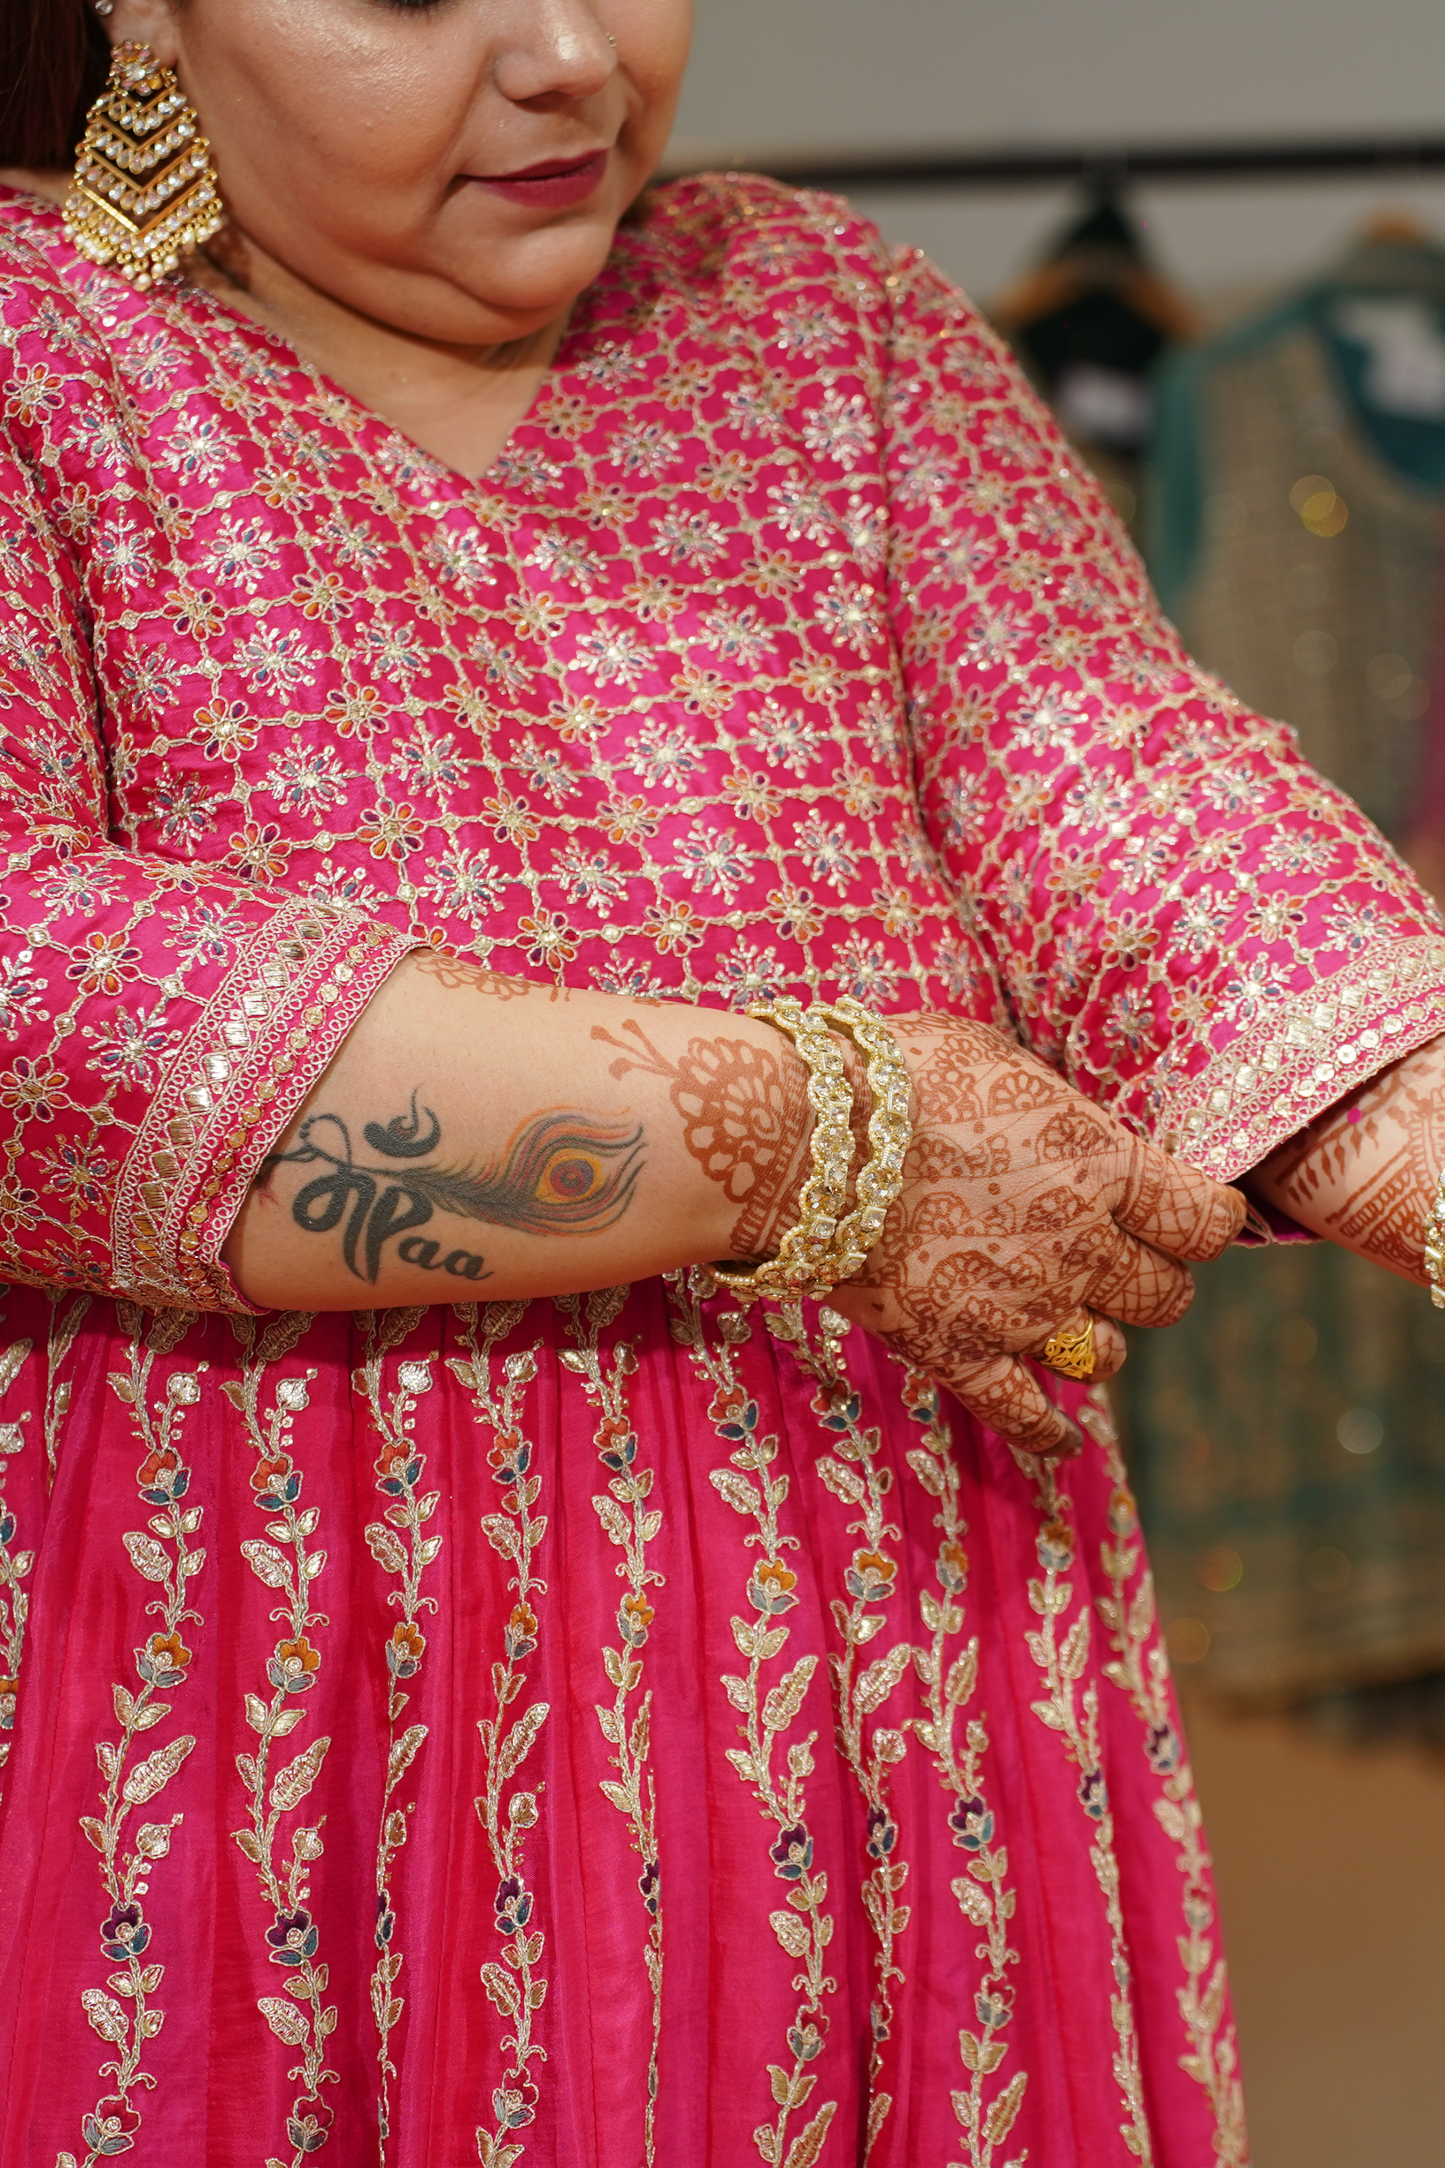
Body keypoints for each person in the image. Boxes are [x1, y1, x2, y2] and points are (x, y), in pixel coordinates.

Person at [0, 3, 1441, 2163]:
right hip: (284, 1712)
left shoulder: (810, 318)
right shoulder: (42, 362)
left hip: (901, 1672)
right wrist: (810, 1137)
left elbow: (1114, 785)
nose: (569, 53)